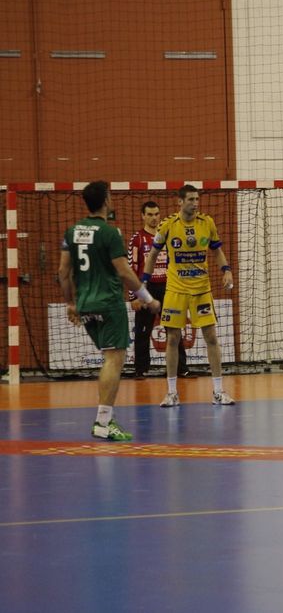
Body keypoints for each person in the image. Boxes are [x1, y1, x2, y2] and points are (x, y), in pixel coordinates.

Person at [58, 181, 161, 441]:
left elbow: (63, 272)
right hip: (108, 303)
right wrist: (148, 299)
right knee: (114, 360)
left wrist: (70, 303)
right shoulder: (110, 233)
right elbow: (125, 272)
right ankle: (103, 422)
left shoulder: (71, 232)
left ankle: (105, 418)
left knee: (109, 359)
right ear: (106, 200)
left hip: (85, 305)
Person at [145, 184, 236, 407]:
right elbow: (153, 254)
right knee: (173, 339)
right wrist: (144, 284)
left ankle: (218, 391)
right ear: (180, 202)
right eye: (191, 200)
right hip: (176, 290)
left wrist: (226, 270)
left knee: (211, 337)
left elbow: (216, 250)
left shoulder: (207, 223)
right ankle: (172, 393)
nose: (195, 204)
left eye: (197, 199)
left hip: (201, 290)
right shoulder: (167, 226)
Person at [128, 200, 190, 380]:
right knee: (142, 331)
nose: (154, 218)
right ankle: (141, 369)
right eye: (149, 214)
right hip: (146, 289)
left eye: (156, 214)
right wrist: (134, 296)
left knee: (174, 328)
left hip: (168, 287)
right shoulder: (137, 238)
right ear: (142, 216)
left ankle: (181, 368)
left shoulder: (167, 235)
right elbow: (132, 267)